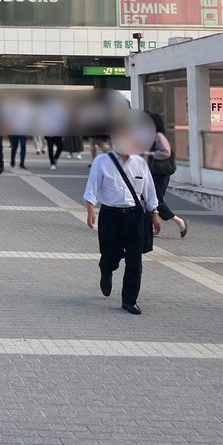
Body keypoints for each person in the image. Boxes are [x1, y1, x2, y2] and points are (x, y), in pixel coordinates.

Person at [84, 124, 160, 315]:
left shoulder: (140, 163)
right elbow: (91, 188)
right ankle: (106, 268)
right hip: (111, 216)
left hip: (134, 216)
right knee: (111, 256)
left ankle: (129, 300)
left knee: (135, 261)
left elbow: (150, 193)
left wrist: (155, 213)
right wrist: (90, 210)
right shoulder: (101, 161)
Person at [147, 113, 188, 239]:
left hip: (160, 173)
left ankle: (180, 222)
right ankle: (153, 227)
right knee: (151, 200)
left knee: (156, 201)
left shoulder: (159, 136)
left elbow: (165, 152)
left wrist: (149, 153)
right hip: (156, 172)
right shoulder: (154, 135)